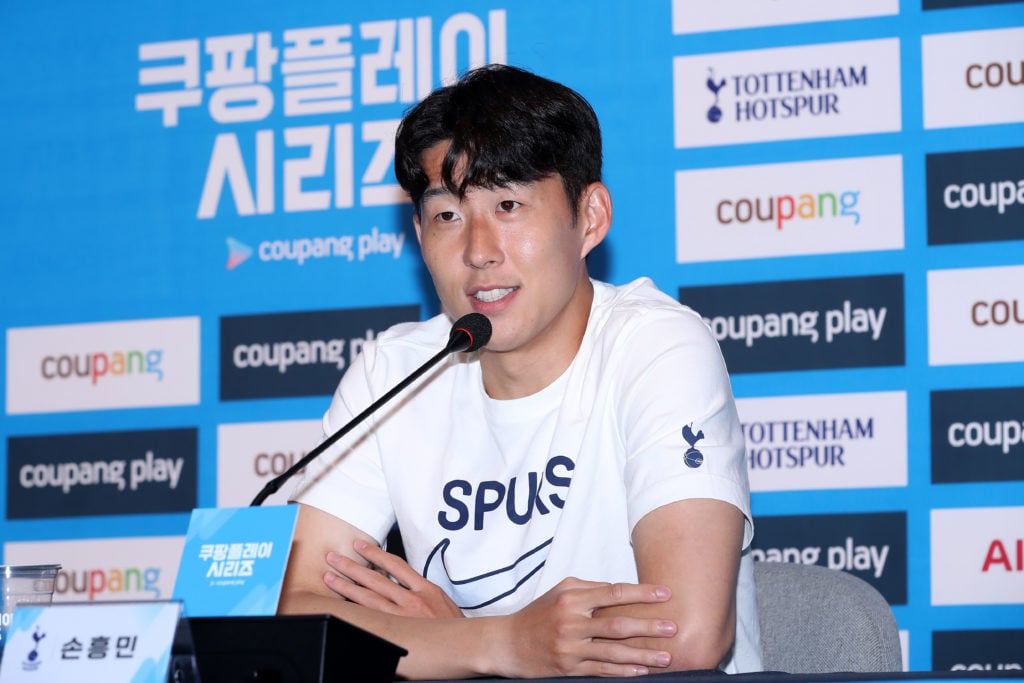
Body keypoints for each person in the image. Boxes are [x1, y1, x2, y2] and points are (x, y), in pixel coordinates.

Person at [280, 63, 761, 679]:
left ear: (589, 218)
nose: (479, 250)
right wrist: (496, 645)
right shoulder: (394, 371)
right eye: (448, 215)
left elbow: (688, 636)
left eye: (508, 204)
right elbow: (285, 608)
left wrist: (462, 649)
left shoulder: (656, 346)